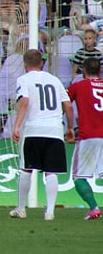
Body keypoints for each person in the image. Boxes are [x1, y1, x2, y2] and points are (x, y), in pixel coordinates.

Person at [10, 49, 74, 221]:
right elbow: (68, 106)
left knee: (26, 169)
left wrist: (16, 127)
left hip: (34, 130)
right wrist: (70, 128)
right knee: (51, 172)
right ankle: (50, 212)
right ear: (41, 63)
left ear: (25, 64)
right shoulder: (54, 80)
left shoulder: (23, 79)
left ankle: (21, 209)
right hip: (54, 130)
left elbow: (24, 102)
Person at [66, 57, 103, 220]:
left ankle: (94, 208)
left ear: (84, 71)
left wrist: (69, 126)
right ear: (99, 71)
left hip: (88, 136)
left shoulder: (78, 86)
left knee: (78, 177)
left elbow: (65, 102)